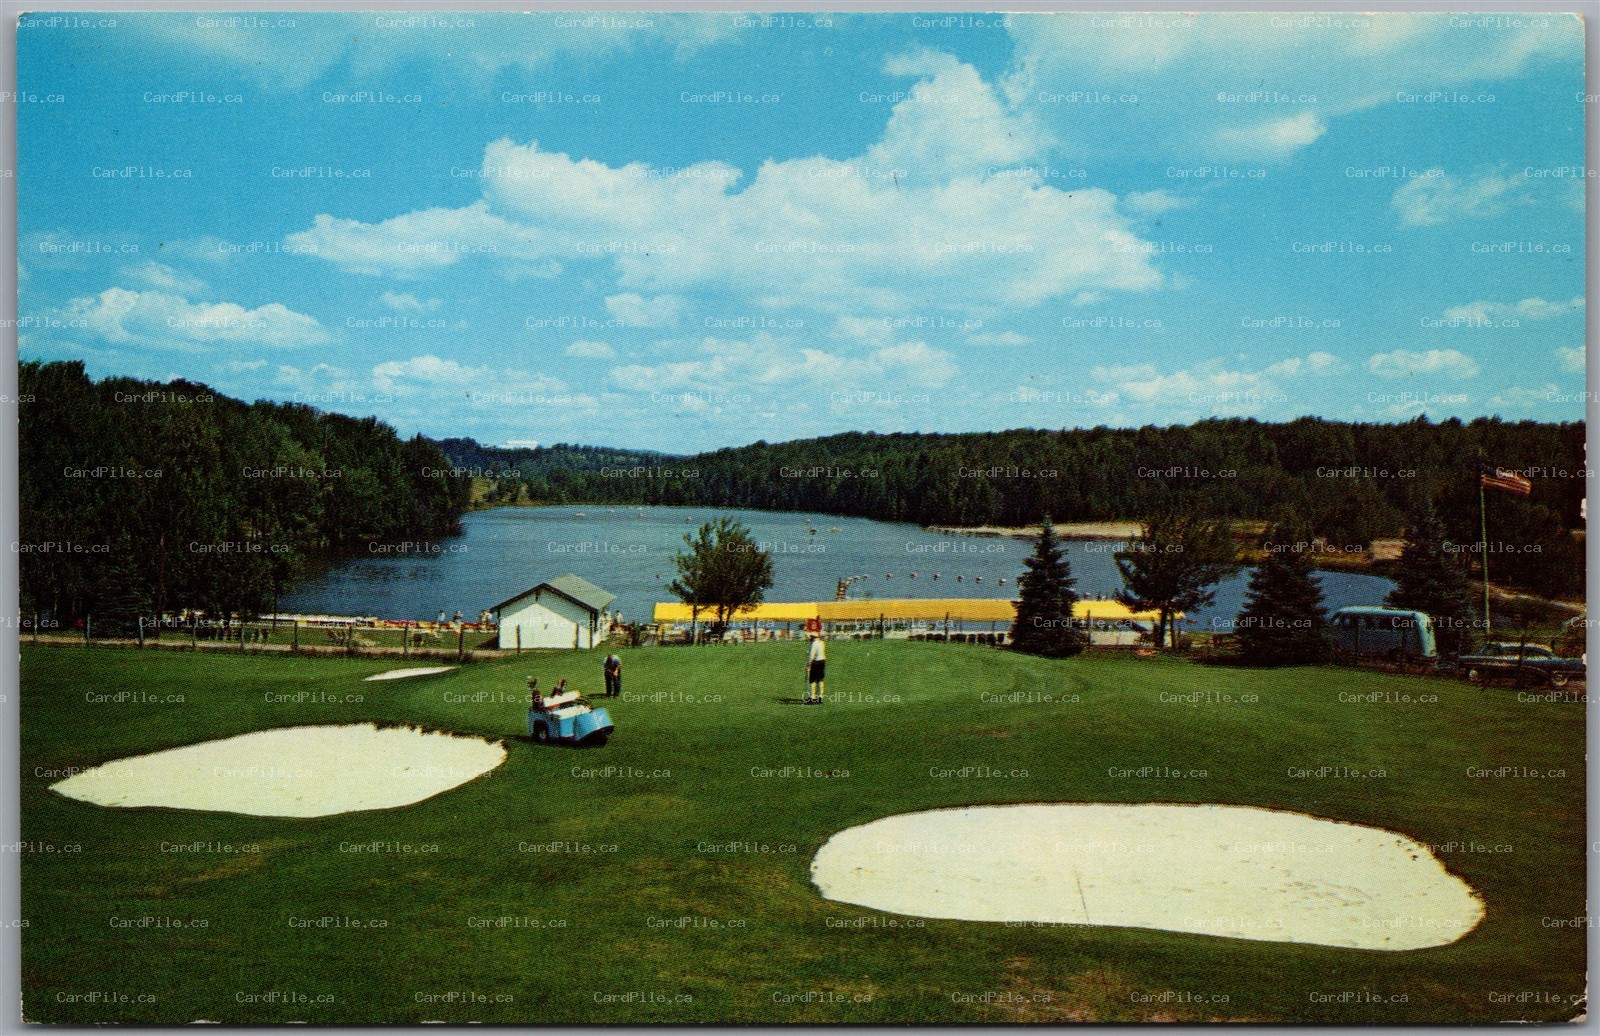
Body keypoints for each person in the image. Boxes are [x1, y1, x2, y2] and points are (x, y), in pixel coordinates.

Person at [805, 635, 826, 704]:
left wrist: (808, 665)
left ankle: (812, 697)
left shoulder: (814, 643)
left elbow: (811, 655)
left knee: (813, 680)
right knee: (820, 679)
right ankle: (820, 697)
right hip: (822, 661)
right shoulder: (821, 642)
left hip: (815, 662)